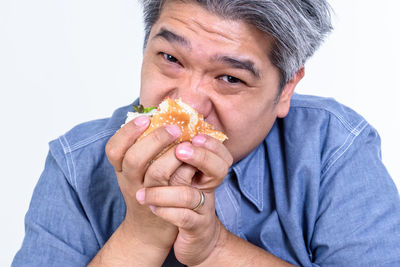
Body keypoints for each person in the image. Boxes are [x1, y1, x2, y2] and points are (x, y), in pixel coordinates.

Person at [12, 0, 400, 266]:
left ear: (285, 91)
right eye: (170, 59)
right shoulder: (77, 164)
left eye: (230, 78)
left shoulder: (333, 147)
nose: (188, 104)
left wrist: (214, 247)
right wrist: (142, 233)